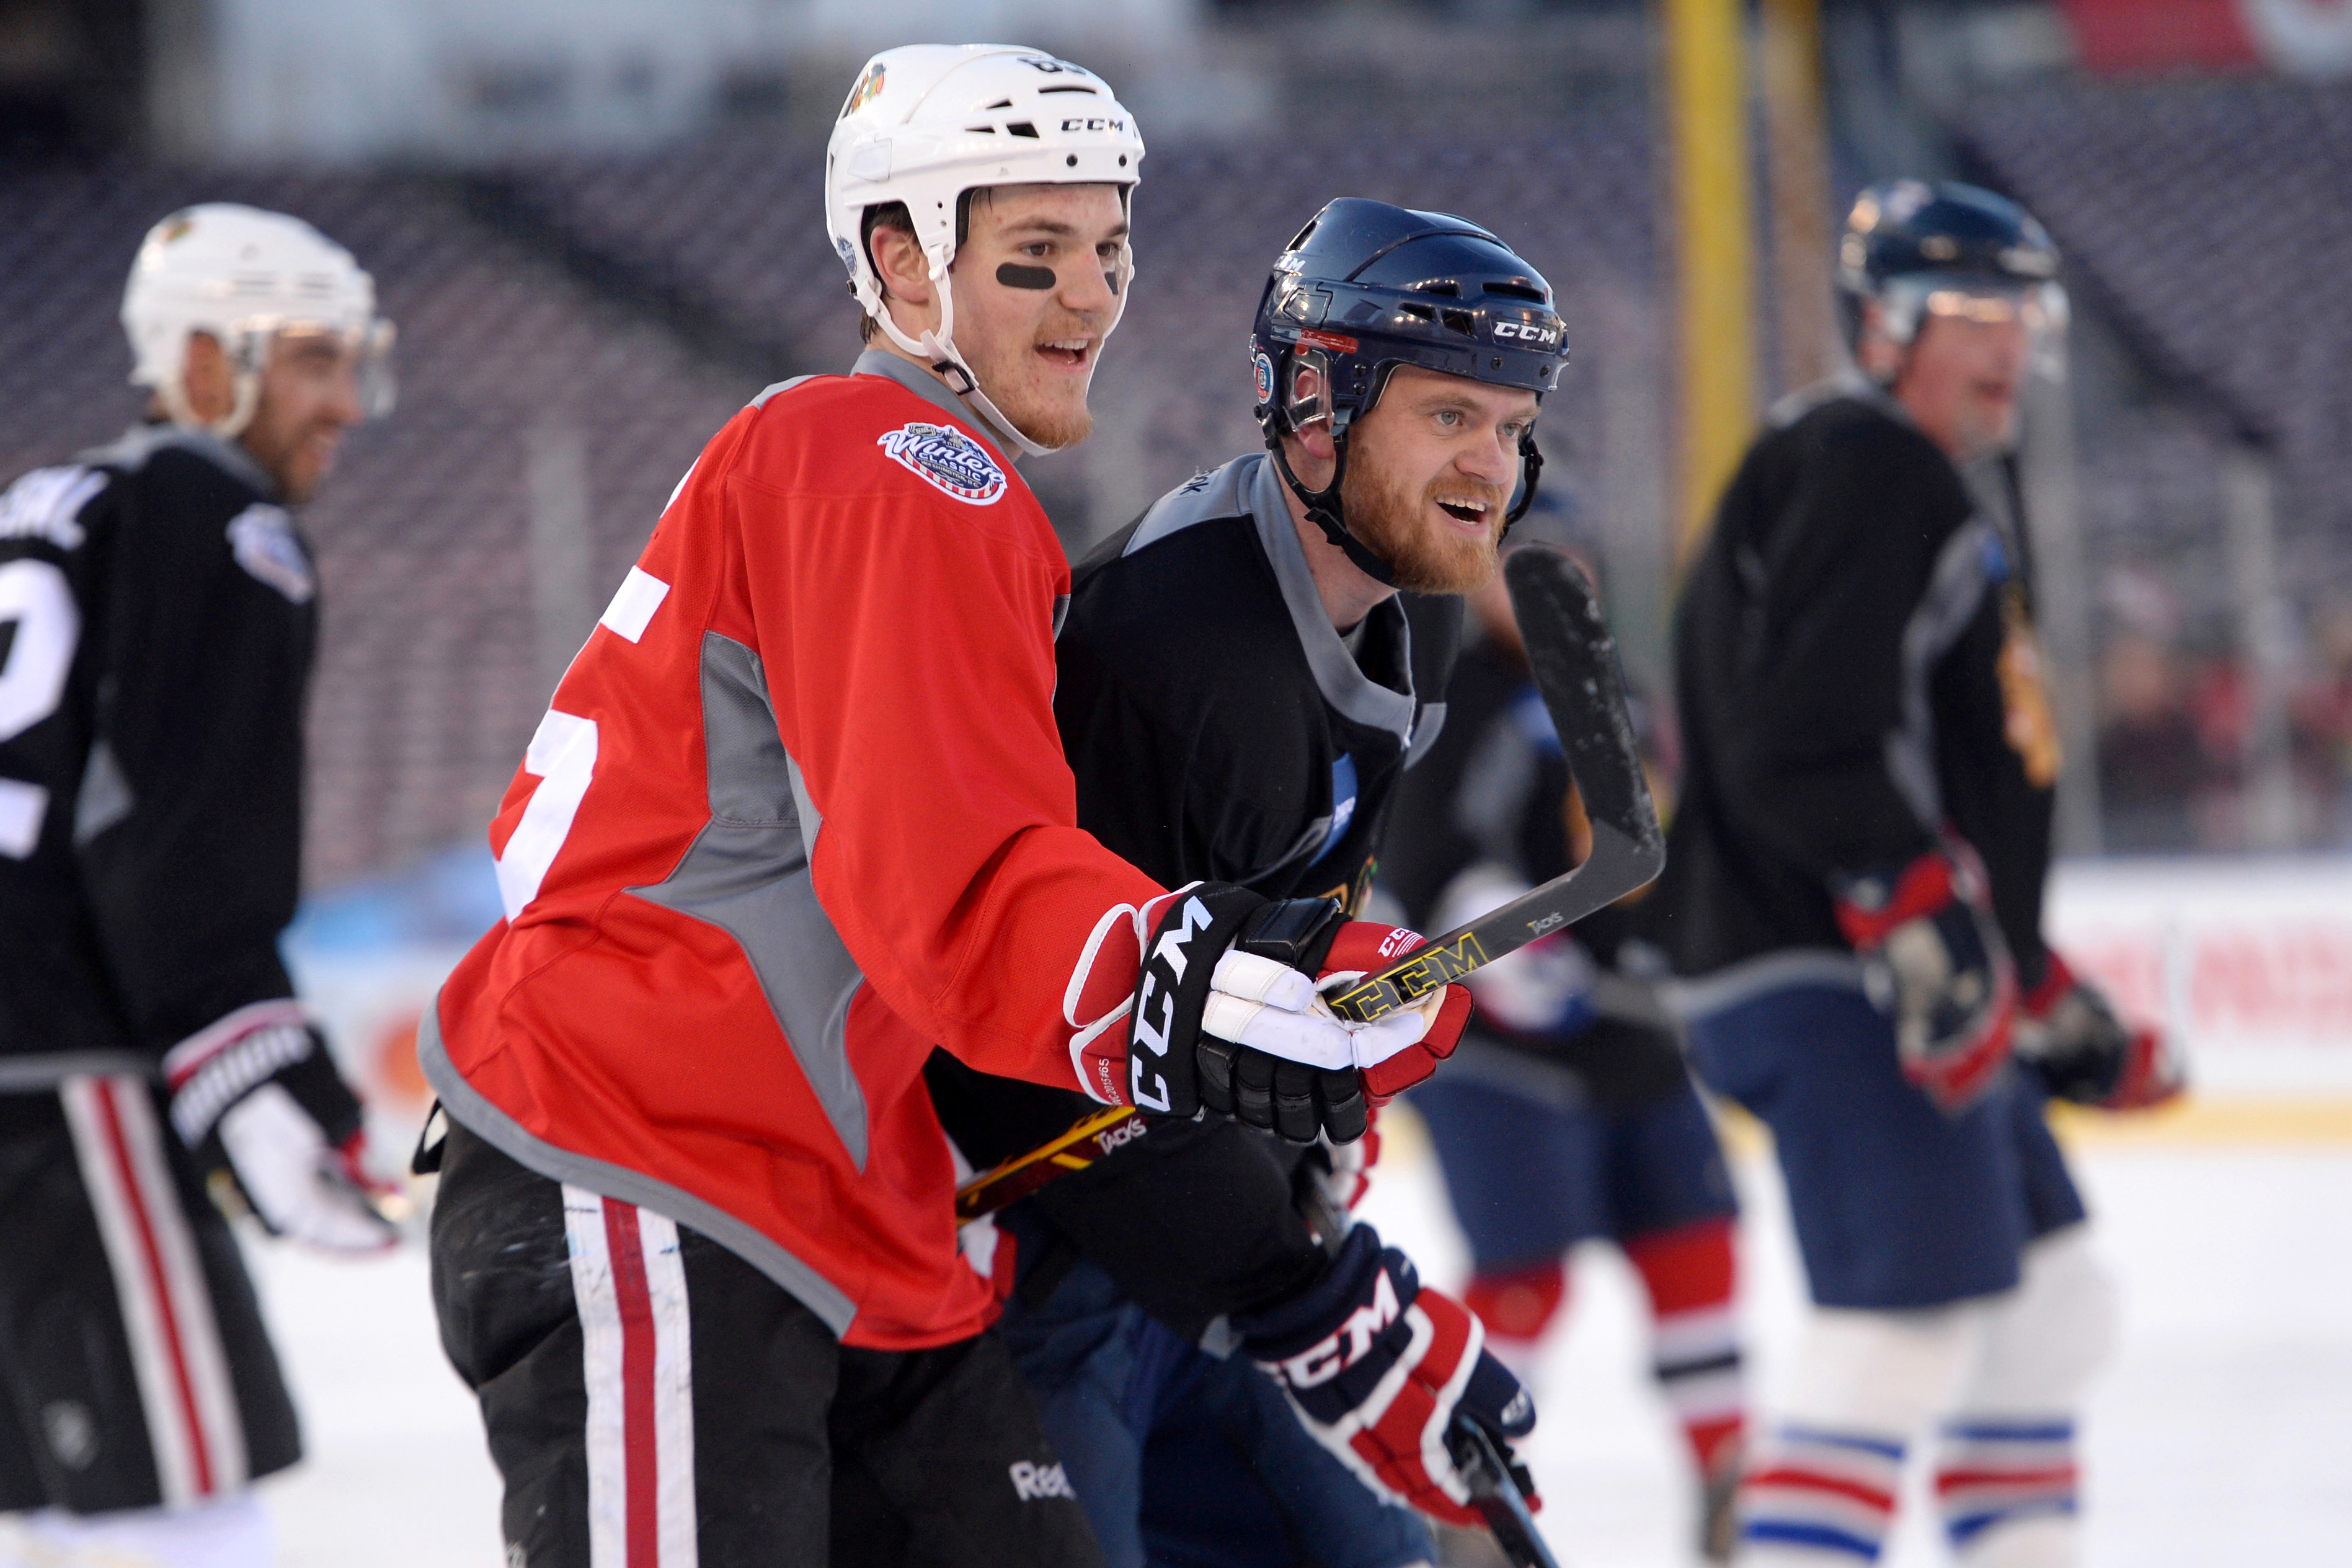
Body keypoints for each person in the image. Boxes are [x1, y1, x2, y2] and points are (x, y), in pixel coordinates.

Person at [417, 52, 1487, 1568]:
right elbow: (955, 881)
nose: (1090, 299)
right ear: (901, 261)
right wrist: (1217, 984)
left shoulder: (937, 490)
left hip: (856, 1216)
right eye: (1031, 257)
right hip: (653, 1156)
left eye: (1108, 252)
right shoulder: (888, 461)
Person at [926, 196, 1571, 1568]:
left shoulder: (1418, 606)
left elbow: (1306, 903)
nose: (1491, 468)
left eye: (1510, 429)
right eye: (1451, 416)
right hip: (1031, 1253)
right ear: (1317, 407)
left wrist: (1311, 1134)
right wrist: (1317, 1296)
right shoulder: (1168, 638)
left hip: (1208, 1235)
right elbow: (1025, 1048)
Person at [1659, 179, 2184, 1567]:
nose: (2002, 340)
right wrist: (1917, 914)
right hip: (1836, 968)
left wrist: (2016, 961)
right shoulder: (1873, 457)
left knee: (2047, 1307)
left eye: (2020, 309)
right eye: (1965, 310)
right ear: (1885, 324)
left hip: (1872, 956)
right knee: (1901, 1337)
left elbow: (1868, 744)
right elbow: (1806, 739)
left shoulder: (1875, 464)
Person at [0, 203, 401, 1567]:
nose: (345, 403)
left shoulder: (55, 501)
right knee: (180, 1486)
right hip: (67, 1064)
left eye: (353, 361)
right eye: (310, 360)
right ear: (203, 362)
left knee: (56, 1492)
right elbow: (173, 836)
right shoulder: (219, 517)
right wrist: (263, 1067)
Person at [1378, 505, 1749, 1563]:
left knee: (1695, 1240)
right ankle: (1465, 1491)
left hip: (1627, 1038)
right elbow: (1421, 856)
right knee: (1526, 1264)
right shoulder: (1441, 688)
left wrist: (1686, 949)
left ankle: (1728, 1482)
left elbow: (1665, 845)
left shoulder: (1617, 690)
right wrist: (1490, 933)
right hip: (1494, 1049)